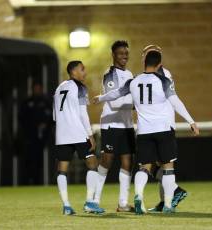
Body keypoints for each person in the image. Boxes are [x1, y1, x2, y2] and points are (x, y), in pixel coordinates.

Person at [93, 51, 199, 214]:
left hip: (144, 131)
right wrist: (191, 121)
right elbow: (175, 102)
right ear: (159, 65)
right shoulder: (163, 80)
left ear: (145, 63)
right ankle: (168, 205)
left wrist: (101, 98)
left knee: (144, 167)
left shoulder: (134, 81)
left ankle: (138, 197)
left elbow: (116, 93)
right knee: (168, 167)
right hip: (163, 129)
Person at [53, 60, 105, 215]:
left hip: (62, 133)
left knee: (62, 169)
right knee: (93, 163)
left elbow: (55, 115)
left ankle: (66, 205)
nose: (85, 72)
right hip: (77, 131)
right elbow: (83, 114)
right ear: (73, 72)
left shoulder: (59, 88)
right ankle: (90, 202)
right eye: (82, 69)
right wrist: (90, 135)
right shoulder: (80, 87)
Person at [141, 44, 188, 212]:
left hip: (162, 125)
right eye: (144, 54)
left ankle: (172, 196)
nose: (145, 57)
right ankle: (167, 198)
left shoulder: (162, 74)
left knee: (160, 165)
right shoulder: (149, 76)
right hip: (155, 126)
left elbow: (171, 99)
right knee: (158, 165)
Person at [93, 40, 136, 212]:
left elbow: (125, 98)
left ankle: (123, 203)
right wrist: (135, 104)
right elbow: (115, 104)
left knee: (128, 162)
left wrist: (133, 102)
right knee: (107, 160)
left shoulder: (131, 74)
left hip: (126, 125)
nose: (124, 56)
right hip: (111, 124)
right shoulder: (110, 74)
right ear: (113, 55)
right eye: (120, 53)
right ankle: (94, 200)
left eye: (126, 53)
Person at [19, 83, 52, 185]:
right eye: (35, 89)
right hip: (28, 137)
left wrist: (45, 125)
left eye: (39, 89)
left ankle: (37, 182)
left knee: (38, 160)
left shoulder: (46, 102)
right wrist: (31, 127)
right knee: (28, 160)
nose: (37, 91)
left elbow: (51, 117)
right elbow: (21, 118)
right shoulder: (27, 102)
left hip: (41, 137)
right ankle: (26, 181)